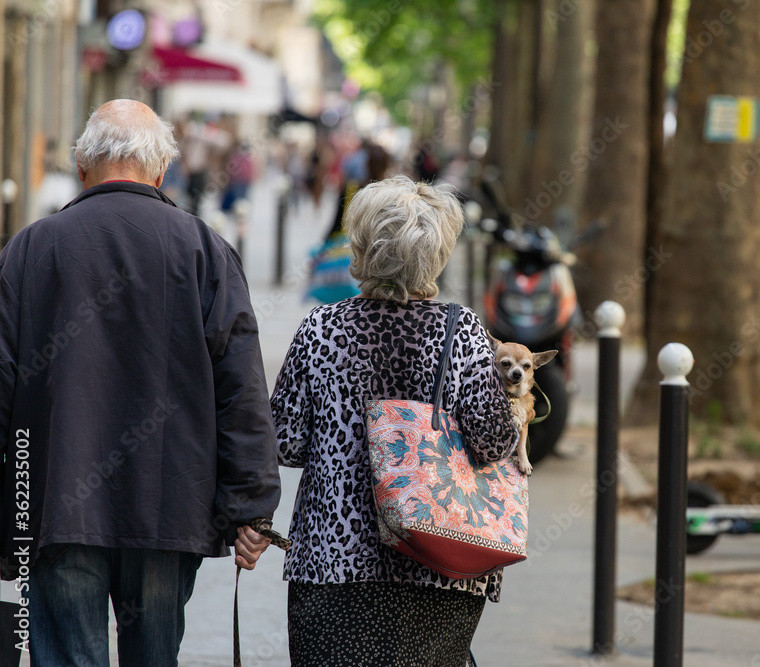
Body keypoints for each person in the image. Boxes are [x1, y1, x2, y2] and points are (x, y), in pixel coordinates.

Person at [0, 99, 280, 666]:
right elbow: (241, 386)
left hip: (55, 505)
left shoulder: (29, 250)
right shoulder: (204, 250)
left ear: (82, 165)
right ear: (161, 171)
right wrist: (252, 506)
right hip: (168, 506)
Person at [271, 175, 519, 666]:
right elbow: (493, 442)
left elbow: (286, 443)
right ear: (440, 251)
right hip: (440, 557)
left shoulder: (322, 328)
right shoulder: (463, 331)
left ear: (360, 249)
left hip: (331, 561)